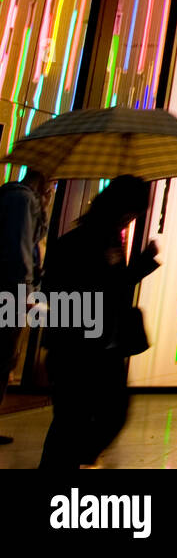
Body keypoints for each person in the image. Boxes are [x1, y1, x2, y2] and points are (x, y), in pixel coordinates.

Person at [39, 176, 157, 469]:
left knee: (80, 419)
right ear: (122, 209)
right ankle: (72, 459)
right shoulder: (91, 241)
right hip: (84, 347)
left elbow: (109, 285)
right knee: (81, 418)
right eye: (132, 214)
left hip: (91, 346)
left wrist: (139, 265)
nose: (132, 220)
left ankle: (72, 458)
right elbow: (103, 288)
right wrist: (139, 266)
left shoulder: (96, 238)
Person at [0, 167, 50, 443]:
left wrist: (42, 207)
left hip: (9, 288)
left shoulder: (23, 199)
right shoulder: (22, 200)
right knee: (4, 355)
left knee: (6, 355)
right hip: (10, 291)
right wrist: (26, 293)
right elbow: (20, 250)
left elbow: (32, 240)